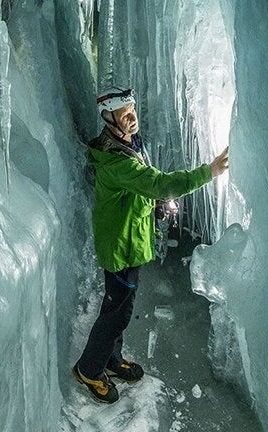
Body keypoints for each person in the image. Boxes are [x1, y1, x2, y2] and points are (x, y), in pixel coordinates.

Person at [72, 85, 229, 403]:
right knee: (117, 312)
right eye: (123, 113)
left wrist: (155, 204)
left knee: (118, 307)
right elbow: (159, 182)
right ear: (109, 118)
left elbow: (146, 184)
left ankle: (111, 360)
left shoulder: (129, 144)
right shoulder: (117, 163)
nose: (131, 116)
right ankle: (89, 369)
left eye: (132, 109)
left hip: (131, 241)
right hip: (121, 248)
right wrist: (209, 171)